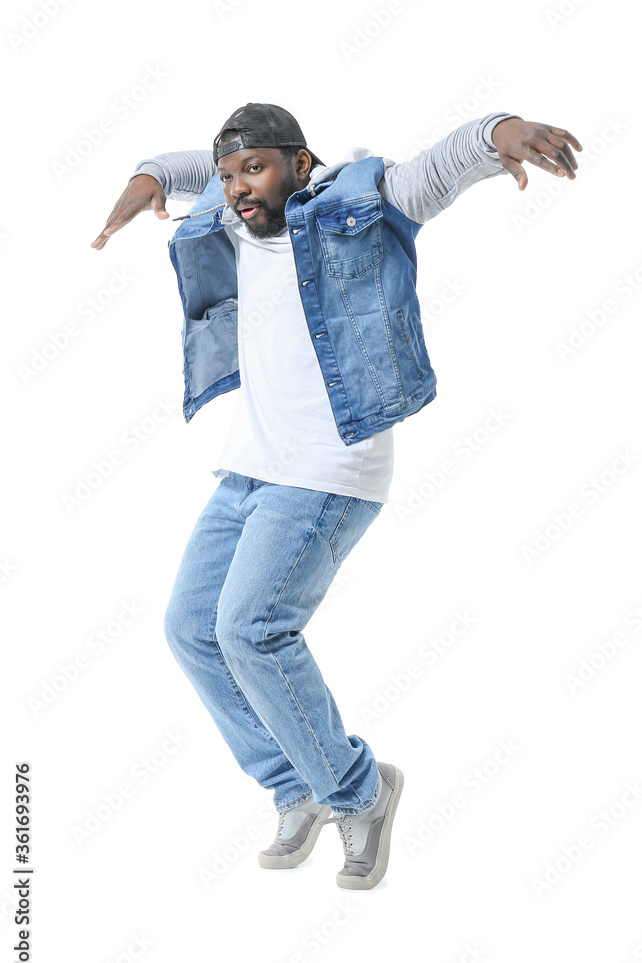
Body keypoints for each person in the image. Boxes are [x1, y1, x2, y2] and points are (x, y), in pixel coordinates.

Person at [91, 102, 581, 890]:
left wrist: (500, 133)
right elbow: (184, 168)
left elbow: (440, 165)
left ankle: (358, 792)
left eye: (254, 169)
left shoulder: (361, 204)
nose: (236, 189)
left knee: (250, 629)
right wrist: (146, 179)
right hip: (249, 466)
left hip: (327, 470)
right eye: (228, 177)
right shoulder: (238, 211)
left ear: (301, 162)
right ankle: (296, 787)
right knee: (191, 628)